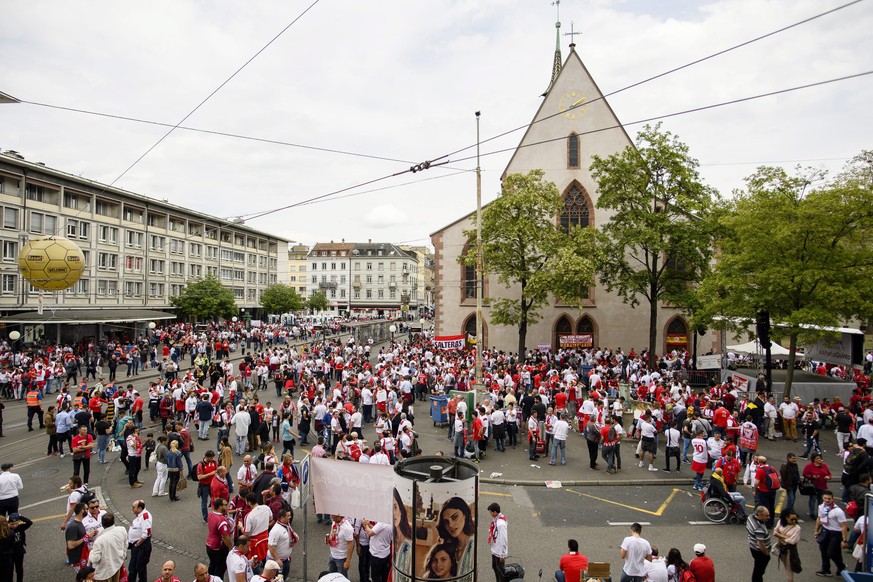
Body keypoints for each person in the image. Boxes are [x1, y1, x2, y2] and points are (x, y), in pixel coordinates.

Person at [435, 495, 474, 576]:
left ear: (464, 514)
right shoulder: (451, 547)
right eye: (446, 522)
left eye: (454, 517)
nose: (451, 525)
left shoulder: (474, 544)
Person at [813, 489, 848, 576]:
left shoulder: (838, 511)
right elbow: (819, 518)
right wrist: (816, 530)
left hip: (835, 533)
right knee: (823, 551)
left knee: (831, 552)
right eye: (825, 498)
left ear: (832, 499)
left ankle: (841, 566)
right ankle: (825, 569)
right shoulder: (821, 507)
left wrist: (844, 540)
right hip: (825, 531)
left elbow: (844, 526)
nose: (827, 500)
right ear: (822, 498)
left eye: (829, 499)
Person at [88, 511, 128, 582]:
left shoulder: (99, 540)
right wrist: (123, 556)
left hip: (104, 573)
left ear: (102, 524)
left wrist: (91, 551)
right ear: (113, 521)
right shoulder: (122, 530)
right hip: (117, 565)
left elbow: (95, 559)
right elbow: (125, 545)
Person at [206, 498, 234, 579]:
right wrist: (231, 547)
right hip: (218, 548)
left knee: (212, 565)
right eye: (225, 505)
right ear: (220, 507)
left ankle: (209, 579)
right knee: (220, 568)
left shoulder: (211, 514)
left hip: (209, 545)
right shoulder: (221, 520)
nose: (227, 506)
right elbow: (225, 537)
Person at [267, 508, 299, 579]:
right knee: (277, 579)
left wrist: (295, 536)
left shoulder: (286, 525)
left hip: (285, 559)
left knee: (284, 577)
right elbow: (271, 547)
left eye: (290, 515)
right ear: (282, 518)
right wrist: (277, 560)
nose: (290, 517)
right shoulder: (275, 531)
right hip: (276, 561)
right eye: (288, 516)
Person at [773, 508, 802, 582]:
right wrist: (786, 537)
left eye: (795, 519)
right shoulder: (780, 522)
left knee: (789, 570)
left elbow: (792, 541)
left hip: (791, 550)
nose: (794, 521)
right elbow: (774, 532)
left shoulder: (797, 528)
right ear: (786, 517)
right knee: (786, 567)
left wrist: (780, 536)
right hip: (782, 548)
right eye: (792, 519)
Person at [128, 500, 153, 582]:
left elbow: (147, 532)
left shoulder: (145, 516)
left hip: (141, 546)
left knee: (140, 568)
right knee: (132, 568)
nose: (132, 508)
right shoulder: (139, 515)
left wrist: (138, 543)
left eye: (133, 507)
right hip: (136, 545)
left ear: (139, 508)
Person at [802, 453, 831, 520]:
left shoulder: (824, 466)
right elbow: (804, 474)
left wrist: (828, 477)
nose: (819, 460)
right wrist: (812, 476)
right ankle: (812, 513)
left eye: (820, 458)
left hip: (822, 485)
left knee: (821, 500)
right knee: (813, 499)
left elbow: (829, 473)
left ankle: (820, 513)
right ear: (814, 459)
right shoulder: (809, 466)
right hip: (813, 485)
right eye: (817, 458)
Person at [66, 502, 93, 574]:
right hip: (78, 559)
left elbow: (82, 538)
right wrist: (86, 537)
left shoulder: (80, 523)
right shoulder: (73, 526)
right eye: (87, 509)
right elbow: (71, 545)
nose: (88, 510)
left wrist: (88, 536)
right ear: (82, 511)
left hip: (83, 556)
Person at [393, 489, 415, 577]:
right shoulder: (393, 538)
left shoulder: (409, 546)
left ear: (401, 510)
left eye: (395, 507)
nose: (393, 513)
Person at [747, 506, 771, 582]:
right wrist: (766, 553)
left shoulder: (750, 517)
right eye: (766, 516)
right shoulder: (759, 528)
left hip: (752, 546)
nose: (768, 517)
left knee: (758, 568)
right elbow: (760, 543)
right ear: (760, 515)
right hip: (760, 552)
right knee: (758, 572)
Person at [487, 503, 508, 582]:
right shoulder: (496, 520)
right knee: (494, 567)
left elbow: (503, 539)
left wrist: (502, 554)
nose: (490, 514)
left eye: (491, 512)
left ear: (495, 512)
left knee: (500, 571)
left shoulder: (501, 524)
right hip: (495, 549)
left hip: (499, 552)